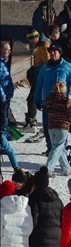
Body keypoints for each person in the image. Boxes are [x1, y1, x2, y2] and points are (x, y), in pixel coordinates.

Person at [25, 167, 63, 247]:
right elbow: (63, 220)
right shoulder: (57, 199)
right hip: (55, 242)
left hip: (39, 243)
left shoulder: (34, 199)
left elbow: (33, 223)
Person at [43, 80, 71, 176]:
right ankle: (48, 170)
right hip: (62, 127)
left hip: (51, 126)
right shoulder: (66, 101)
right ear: (64, 89)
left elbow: (48, 111)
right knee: (56, 148)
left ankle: (66, 169)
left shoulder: (49, 100)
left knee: (60, 148)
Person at [24, 30, 50, 127]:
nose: (31, 41)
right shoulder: (40, 44)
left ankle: (31, 119)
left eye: (31, 39)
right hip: (37, 75)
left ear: (37, 37)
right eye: (29, 39)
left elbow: (47, 62)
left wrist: (36, 69)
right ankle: (31, 118)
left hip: (40, 77)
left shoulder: (44, 46)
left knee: (32, 98)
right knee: (33, 98)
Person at [0, 42, 18, 170]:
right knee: (2, 123)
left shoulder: (3, 63)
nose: (9, 52)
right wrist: (2, 97)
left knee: (5, 121)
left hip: (6, 98)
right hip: (2, 99)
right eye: (7, 49)